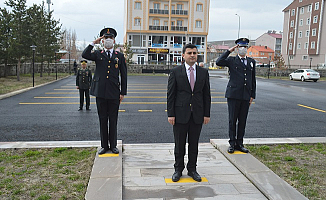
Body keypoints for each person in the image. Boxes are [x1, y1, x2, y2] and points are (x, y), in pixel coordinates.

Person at [167, 43, 211, 182]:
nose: (192, 55)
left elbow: (206, 95)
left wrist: (206, 114)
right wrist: (171, 114)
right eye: (190, 53)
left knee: (194, 144)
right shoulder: (176, 72)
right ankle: (178, 169)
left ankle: (192, 169)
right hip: (180, 114)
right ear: (183, 55)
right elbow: (171, 95)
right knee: (179, 144)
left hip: (197, 114)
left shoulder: (203, 72)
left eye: (195, 53)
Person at [82, 27, 127, 155]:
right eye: (105, 38)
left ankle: (113, 145)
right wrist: (93, 43)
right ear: (102, 41)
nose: (108, 40)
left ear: (114, 40)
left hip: (114, 93)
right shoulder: (98, 54)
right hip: (100, 92)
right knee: (102, 119)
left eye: (110, 38)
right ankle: (104, 145)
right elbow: (85, 55)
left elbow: (124, 75)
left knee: (113, 119)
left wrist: (122, 92)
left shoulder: (120, 56)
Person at [215, 38, 256, 153]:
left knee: (242, 121)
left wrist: (252, 95)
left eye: (245, 47)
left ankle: (240, 143)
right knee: (232, 120)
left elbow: (253, 80)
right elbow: (219, 62)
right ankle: (232, 143)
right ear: (237, 48)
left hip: (246, 96)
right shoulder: (232, 60)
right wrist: (229, 51)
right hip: (233, 95)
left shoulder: (251, 62)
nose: (243, 49)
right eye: (240, 47)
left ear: (247, 48)